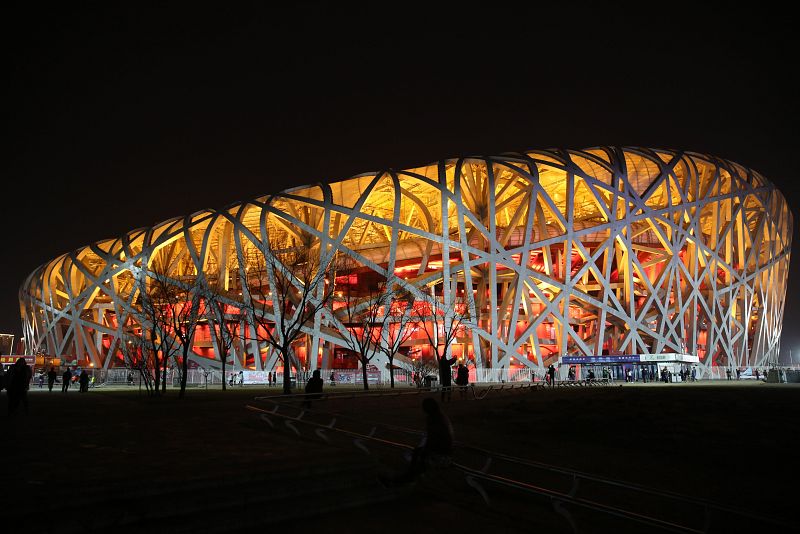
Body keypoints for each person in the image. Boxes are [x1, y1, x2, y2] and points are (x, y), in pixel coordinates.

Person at [379, 397, 454, 487]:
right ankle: (410, 475)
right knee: (418, 454)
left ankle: (407, 477)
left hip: (440, 453)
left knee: (419, 456)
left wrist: (423, 452)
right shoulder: (441, 417)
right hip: (445, 451)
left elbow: (432, 441)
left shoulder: (433, 419)